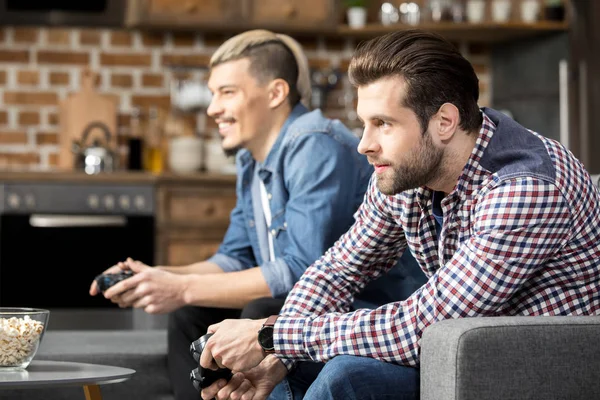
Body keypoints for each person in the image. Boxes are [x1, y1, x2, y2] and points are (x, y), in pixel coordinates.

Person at [198, 29, 600, 400]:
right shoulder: (406, 172)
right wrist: (277, 356)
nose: (364, 144)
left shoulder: (524, 189)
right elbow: (339, 270)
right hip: (456, 346)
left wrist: (271, 336)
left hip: (537, 365)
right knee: (287, 367)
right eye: (363, 124)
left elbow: (422, 325)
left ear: (444, 122)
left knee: (346, 376)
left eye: (383, 124)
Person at [88, 29, 425, 400]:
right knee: (189, 313)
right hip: (302, 301)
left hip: (357, 311)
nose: (213, 107)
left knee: (258, 309)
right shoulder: (251, 160)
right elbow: (235, 258)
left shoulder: (313, 143)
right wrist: (160, 277)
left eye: (227, 93)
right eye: (213, 93)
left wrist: (180, 288)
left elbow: (299, 269)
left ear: (276, 93)